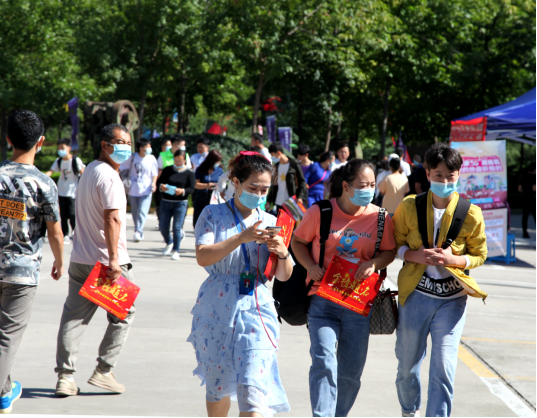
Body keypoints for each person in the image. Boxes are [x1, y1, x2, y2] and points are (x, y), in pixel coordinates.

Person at [189, 151, 294, 417]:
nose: (259, 194)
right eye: (253, 187)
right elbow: (203, 256)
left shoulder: (272, 222)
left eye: (264, 190)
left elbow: (284, 276)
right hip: (217, 309)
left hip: (257, 310)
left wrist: (283, 253)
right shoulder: (212, 214)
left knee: (253, 388)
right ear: (235, 182)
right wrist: (240, 238)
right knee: (218, 387)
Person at [291, 160, 396, 417]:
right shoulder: (320, 212)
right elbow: (297, 241)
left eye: (372, 185)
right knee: (323, 361)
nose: (369, 190)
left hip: (358, 304)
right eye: (363, 185)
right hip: (322, 300)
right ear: (346, 187)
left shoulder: (380, 217)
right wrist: (310, 266)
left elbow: (389, 251)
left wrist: (374, 263)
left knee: (350, 373)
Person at [393, 143, 488, 417]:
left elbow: (479, 255)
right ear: (427, 173)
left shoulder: (471, 213)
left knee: (444, 366)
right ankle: (409, 410)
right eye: (438, 175)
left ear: (459, 175)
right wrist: (414, 255)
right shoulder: (409, 206)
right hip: (415, 296)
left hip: (452, 300)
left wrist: (454, 260)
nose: (445, 181)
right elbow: (395, 243)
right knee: (407, 366)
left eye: (450, 175)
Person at [0, 110, 64, 414]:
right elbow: (55, 232)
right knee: (6, 340)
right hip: (22, 271)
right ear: (41, 141)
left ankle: (4, 393)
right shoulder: (44, 184)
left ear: (8, 139)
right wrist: (59, 262)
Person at [55, 123, 136, 397]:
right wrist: (114, 260)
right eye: (121, 143)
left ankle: (65, 377)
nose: (126, 148)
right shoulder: (110, 177)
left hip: (81, 259)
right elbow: (112, 219)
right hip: (104, 262)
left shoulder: (89, 169)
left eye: (129, 143)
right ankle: (104, 370)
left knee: (73, 319)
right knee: (124, 314)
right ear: (105, 145)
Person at [45, 138, 86, 244]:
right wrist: (42, 177)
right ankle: (65, 234)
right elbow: (51, 171)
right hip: (61, 192)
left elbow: (83, 173)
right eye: (59, 148)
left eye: (62, 148)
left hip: (73, 192)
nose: (60, 150)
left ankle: (76, 232)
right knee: (63, 214)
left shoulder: (75, 160)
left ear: (69, 148)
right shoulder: (59, 161)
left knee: (72, 213)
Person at [158, 149, 195, 259]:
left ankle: (176, 250)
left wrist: (182, 191)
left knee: (177, 227)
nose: (178, 163)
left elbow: (191, 188)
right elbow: (160, 182)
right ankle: (169, 242)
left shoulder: (189, 173)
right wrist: (162, 187)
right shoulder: (167, 169)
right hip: (166, 202)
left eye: (180, 161)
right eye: (176, 160)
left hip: (180, 203)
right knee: (163, 226)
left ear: (185, 161)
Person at [120, 139, 158, 242]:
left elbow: (154, 173)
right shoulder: (132, 157)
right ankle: (138, 229)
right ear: (141, 148)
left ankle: (138, 231)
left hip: (146, 189)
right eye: (147, 146)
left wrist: (154, 183)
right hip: (133, 189)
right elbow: (122, 168)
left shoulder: (151, 158)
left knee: (142, 211)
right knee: (135, 212)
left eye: (149, 146)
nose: (149, 148)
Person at [267, 142, 307, 211]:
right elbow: (274, 185)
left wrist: (300, 196)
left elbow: (302, 181)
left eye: (272, 155)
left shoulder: (294, 164)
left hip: (291, 201)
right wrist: (269, 201)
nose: (272, 158)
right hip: (279, 202)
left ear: (279, 153)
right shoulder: (276, 166)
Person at [193, 150, 224, 228]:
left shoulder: (219, 170)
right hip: (201, 198)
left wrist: (218, 187)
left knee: (213, 223)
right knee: (197, 222)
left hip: (214, 199)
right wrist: (207, 185)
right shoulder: (200, 169)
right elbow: (195, 184)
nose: (218, 163)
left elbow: (222, 184)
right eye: (217, 161)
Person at [519, 163, 536, 239]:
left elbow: (519, 189)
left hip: (525, 199)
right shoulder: (534, 177)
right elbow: (534, 188)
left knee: (525, 217)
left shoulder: (523, 176)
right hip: (533, 199)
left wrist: (525, 190)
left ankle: (525, 233)